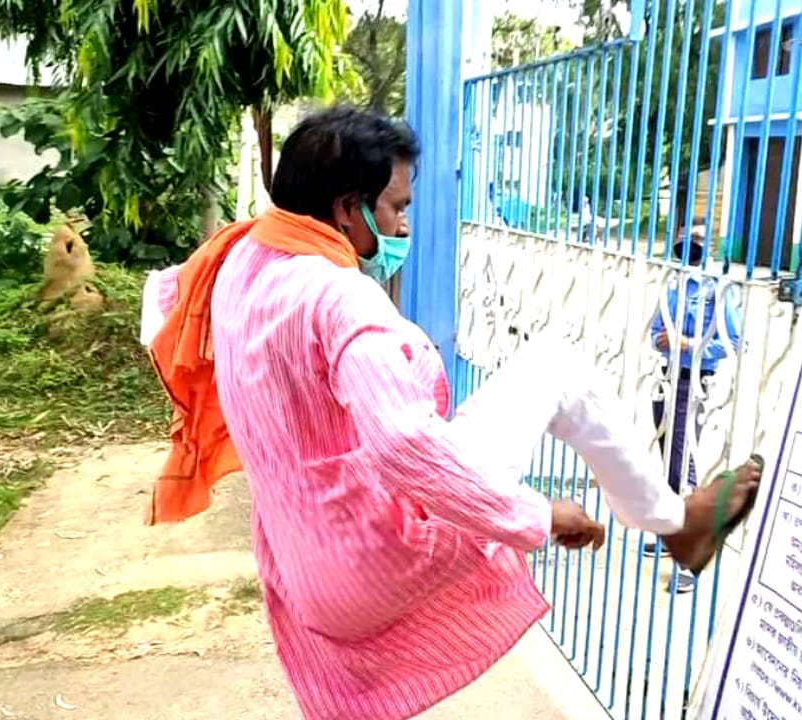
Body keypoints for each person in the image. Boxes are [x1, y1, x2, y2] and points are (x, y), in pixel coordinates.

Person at [140, 106, 762, 720]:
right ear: (346, 208)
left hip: (304, 567)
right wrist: (536, 514)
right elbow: (403, 445)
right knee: (556, 366)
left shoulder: (237, 262)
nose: (404, 226)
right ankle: (676, 522)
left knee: (539, 377)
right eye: (397, 208)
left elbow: (161, 305)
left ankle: (675, 520)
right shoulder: (339, 296)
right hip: (376, 555)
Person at [646, 226, 744, 593]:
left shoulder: (718, 290)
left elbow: (734, 340)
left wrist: (687, 343)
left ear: (710, 248)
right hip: (665, 377)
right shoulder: (673, 286)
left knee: (683, 465)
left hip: (696, 382)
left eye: (697, 243)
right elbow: (656, 333)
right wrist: (665, 341)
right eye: (684, 242)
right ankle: (672, 533)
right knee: (669, 461)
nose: (689, 248)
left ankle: (691, 556)